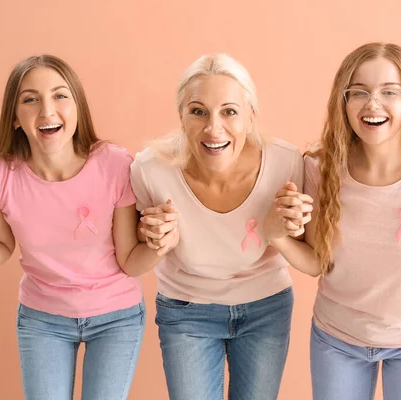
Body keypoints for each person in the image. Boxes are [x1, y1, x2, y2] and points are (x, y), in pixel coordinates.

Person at [0, 55, 164, 400]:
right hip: (43, 319)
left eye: (60, 96)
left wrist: (162, 244)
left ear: (77, 108)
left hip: (116, 317)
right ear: (14, 117)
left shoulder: (114, 164)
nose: (47, 110)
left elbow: (130, 260)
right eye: (30, 99)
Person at [269, 42, 401, 399]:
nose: (372, 104)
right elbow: (317, 262)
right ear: (344, 101)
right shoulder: (319, 168)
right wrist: (277, 237)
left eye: (389, 92)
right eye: (359, 92)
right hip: (338, 339)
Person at [129, 53, 312, 400]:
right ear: (181, 117)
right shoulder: (150, 170)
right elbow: (131, 258)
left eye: (229, 111)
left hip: (266, 308)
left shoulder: (286, 163)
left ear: (250, 117)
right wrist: (154, 240)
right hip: (186, 312)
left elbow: (312, 251)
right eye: (198, 111)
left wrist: (289, 227)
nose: (214, 128)